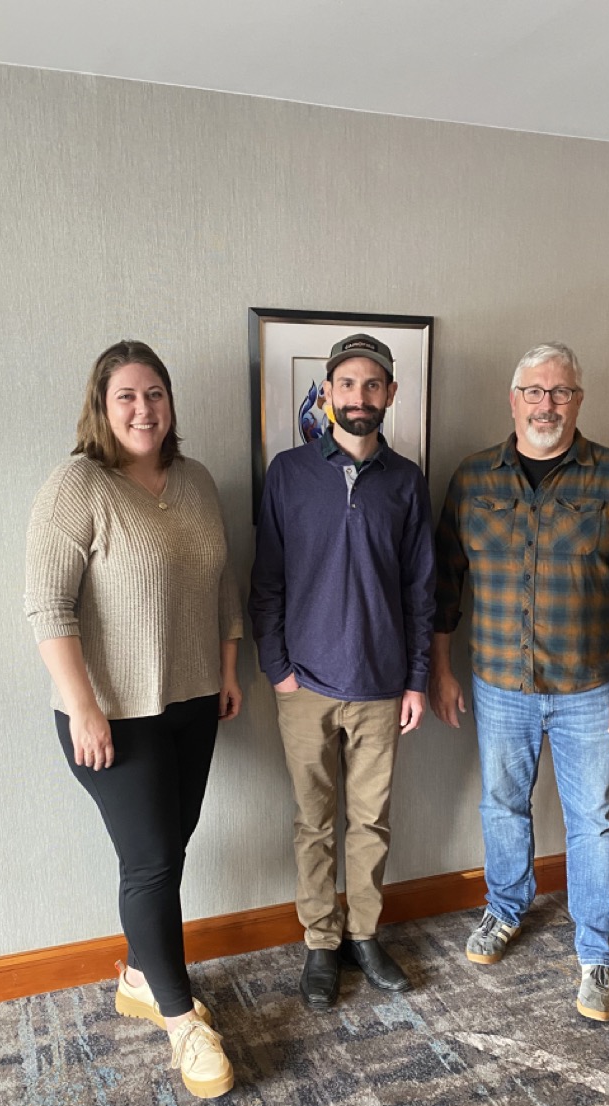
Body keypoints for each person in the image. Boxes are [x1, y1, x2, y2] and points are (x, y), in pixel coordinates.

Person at [430, 342, 609, 1022]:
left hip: (591, 689)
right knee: (502, 806)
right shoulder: (474, 479)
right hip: (500, 684)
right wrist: (441, 667)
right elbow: (444, 586)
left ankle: (600, 955)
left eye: (559, 391)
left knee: (594, 823)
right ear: (513, 402)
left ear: (578, 400)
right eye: (534, 392)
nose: (546, 404)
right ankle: (505, 910)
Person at [25, 340, 242, 1097]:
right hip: (113, 715)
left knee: (169, 847)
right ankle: (184, 1023)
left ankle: (142, 975)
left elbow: (221, 584)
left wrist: (227, 667)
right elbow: (47, 607)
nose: (143, 409)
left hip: (191, 702)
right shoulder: (77, 484)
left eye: (155, 394)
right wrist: (83, 706)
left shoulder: (197, 480)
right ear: (102, 405)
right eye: (127, 396)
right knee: (150, 861)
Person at [249, 334, 435, 1010]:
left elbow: (421, 589)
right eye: (346, 385)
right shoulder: (289, 473)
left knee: (372, 822)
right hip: (304, 685)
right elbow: (266, 578)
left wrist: (416, 678)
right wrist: (277, 670)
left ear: (390, 394)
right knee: (312, 822)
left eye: (372, 385)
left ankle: (364, 933)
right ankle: (321, 943)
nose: (359, 397)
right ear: (328, 393)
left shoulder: (407, 481)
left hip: (383, 686)